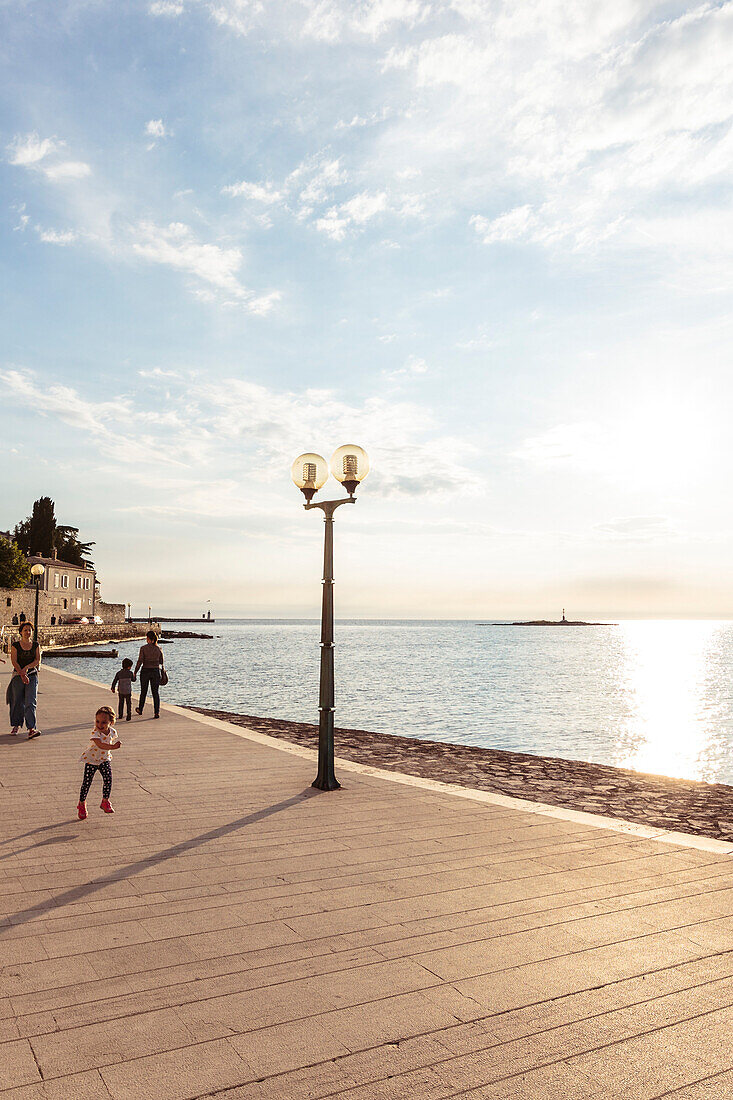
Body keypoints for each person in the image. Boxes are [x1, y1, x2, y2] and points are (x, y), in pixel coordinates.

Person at [78, 705, 121, 818]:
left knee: (108, 779)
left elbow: (107, 743)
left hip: (104, 760)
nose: (100, 725)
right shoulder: (95, 733)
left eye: (103, 722)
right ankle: (81, 803)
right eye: (97, 721)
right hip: (91, 760)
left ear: (110, 722)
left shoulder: (112, 732)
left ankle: (105, 801)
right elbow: (100, 745)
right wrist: (113, 747)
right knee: (87, 783)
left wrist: (112, 747)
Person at [9, 622, 41, 739]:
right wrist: (22, 673)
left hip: (32, 675)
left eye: (29, 630)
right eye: (25, 630)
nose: (28, 632)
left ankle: (31, 728)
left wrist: (27, 668)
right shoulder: (15, 645)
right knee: (17, 701)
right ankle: (16, 725)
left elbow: (37, 660)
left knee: (30, 702)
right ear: (21, 632)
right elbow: (14, 661)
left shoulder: (36, 645)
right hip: (18, 676)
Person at [134, 630, 165, 719]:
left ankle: (140, 709)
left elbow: (140, 661)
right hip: (155, 671)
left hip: (145, 671)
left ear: (148, 638)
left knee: (143, 691)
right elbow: (161, 661)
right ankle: (156, 712)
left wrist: (135, 671)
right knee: (155, 693)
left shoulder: (143, 648)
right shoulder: (159, 648)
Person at [111, 657, 136, 722]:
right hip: (128, 690)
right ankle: (129, 714)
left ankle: (120, 714)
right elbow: (134, 680)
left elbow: (115, 681)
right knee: (128, 703)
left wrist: (113, 687)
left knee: (121, 702)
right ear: (129, 667)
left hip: (121, 690)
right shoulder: (130, 673)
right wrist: (134, 675)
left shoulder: (119, 673)